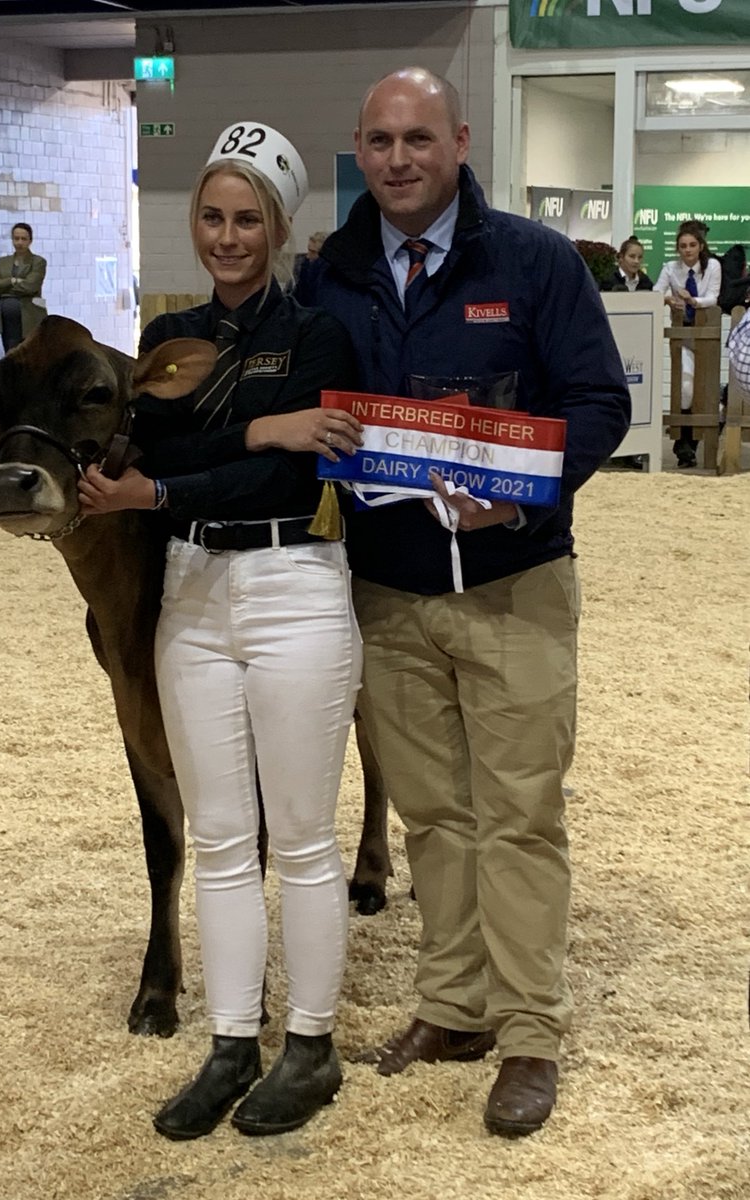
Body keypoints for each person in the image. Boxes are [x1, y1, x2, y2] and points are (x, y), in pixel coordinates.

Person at [309, 67, 630, 1138]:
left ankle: (531, 1029)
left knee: (521, 815)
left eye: (419, 139)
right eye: (380, 141)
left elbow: (599, 401)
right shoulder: (331, 273)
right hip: (389, 592)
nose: (399, 160)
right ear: (360, 148)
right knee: (435, 817)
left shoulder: (534, 262)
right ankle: (453, 1009)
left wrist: (525, 495)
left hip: (515, 585)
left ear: (459, 140)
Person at [77, 122, 364, 1141]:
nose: (228, 236)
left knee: (304, 836)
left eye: (248, 219)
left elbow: (284, 476)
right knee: (220, 838)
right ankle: (233, 1043)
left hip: (294, 582)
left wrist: (183, 476)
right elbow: (163, 444)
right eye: (212, 217)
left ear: (279, 229)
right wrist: (259, 426)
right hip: (193, 589)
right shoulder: (172, 338)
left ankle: (312, 1046)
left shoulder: (321, 335)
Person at [654, 220, 722, 468]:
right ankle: (683, 444)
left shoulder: (712, 266)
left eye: (692, 245)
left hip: (706, 333)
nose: (688, 250)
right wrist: (669, 299)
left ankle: (691, 445)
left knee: (704, 391)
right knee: (685, 387)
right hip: (683, 333)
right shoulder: (670, 268)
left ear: (700, 246)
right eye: (683, 246)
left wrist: (693, 300)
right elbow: (656, 291)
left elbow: (713, 296)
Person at [0, 222, 47, 352]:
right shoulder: (3, 262)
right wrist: (12, 280)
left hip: (29, 318)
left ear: (30, 241)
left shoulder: (38, 262)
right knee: (10, 353)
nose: (19, 242)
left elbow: (30, 287)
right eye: (16, 238)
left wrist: (2, 286)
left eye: (23, 239)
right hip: (7, 321)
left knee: (29, 354)